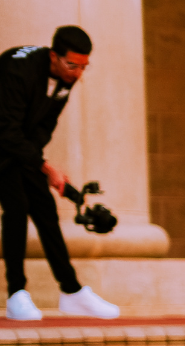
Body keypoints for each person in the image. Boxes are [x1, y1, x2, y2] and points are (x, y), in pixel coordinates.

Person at [0, 26, 118, 320]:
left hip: (19, 145)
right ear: (54, 56)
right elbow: (6, 130)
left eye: (84, 67)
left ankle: (72, 291)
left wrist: (40, 164)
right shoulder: (17, 70)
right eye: (72, 65)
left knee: (45, 210)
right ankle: (16, 294)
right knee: (17, 208)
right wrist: (46, 166)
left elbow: (44, 125)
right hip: (2, 140)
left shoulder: (66, 77)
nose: (78, 73)